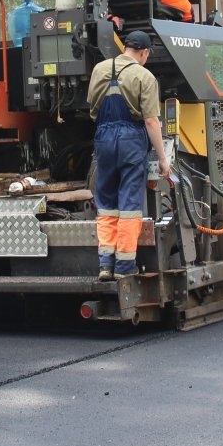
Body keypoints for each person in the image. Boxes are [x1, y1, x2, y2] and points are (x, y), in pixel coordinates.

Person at [87, 31, 171, 280]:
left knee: (106, 203)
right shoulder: (144, 76)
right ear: (144, 52)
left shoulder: (99, 69)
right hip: (131, 140)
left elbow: (92, 106)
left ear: (125, 48)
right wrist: (163, 158)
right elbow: (151, 120)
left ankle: (105, 264)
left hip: (103, 138)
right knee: (129, 205)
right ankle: (124, 267)